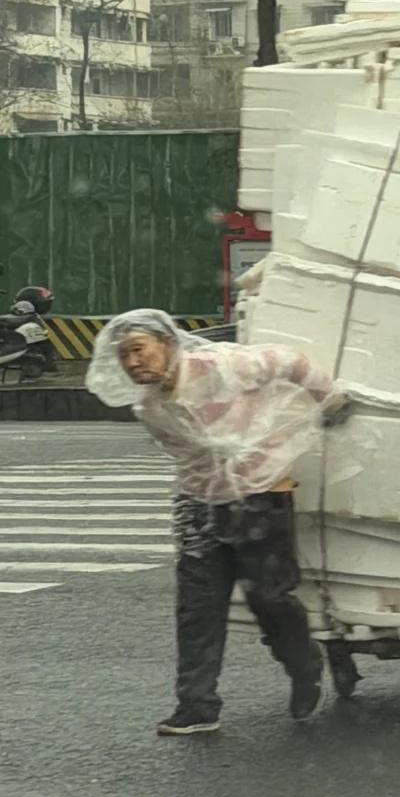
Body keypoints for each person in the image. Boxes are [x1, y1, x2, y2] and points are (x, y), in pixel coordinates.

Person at [87, 310, 347, 734]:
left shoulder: (227, 367)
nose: (133, 363)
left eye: (138, 350)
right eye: (123, 358)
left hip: (261, 495)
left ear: (167, 343)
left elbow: (290, 361)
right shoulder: (150, 408)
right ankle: (196, 706)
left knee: (270, 599)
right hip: (199, 504)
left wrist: (329, 398)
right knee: (197, 609)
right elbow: (189, 458)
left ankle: (304, 666)